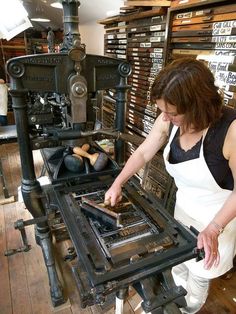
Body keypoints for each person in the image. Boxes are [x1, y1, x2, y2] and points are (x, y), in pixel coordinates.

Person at [104, 58, 236, 313]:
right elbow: (143, 153)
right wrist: (118, 182)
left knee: (199, 276)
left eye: (172, 113)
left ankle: (186, 309)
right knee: (177, 264)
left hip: (219, 222)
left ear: (197, 106)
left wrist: (213, 230)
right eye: (162, 110)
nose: (164, 117)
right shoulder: (170, 118)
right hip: (183, 212)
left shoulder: (230, 131)